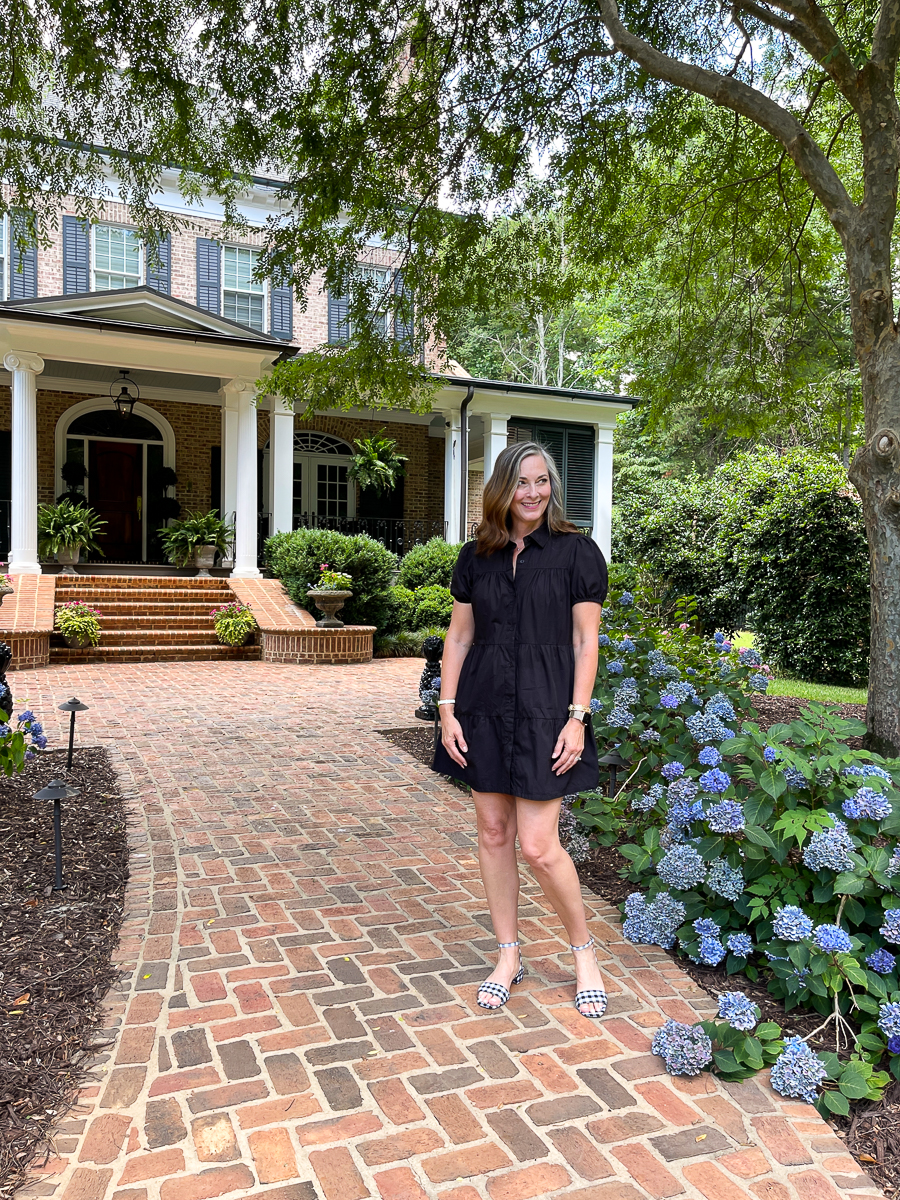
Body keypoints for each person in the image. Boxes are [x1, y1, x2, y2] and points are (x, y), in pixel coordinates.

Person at [432, 441, 609, 1018]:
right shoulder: (475, 556)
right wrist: (447, 706)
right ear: (500, 491)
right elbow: (459, 636)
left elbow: (586, 642)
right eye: (521, 483)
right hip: (482, 703)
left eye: (542, 481)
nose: (533, 493)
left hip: (546, 707)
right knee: (491, 831)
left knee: (538, 845)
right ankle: (508, 955)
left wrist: (577, 718)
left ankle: (584, 953)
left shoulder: (577, 553)